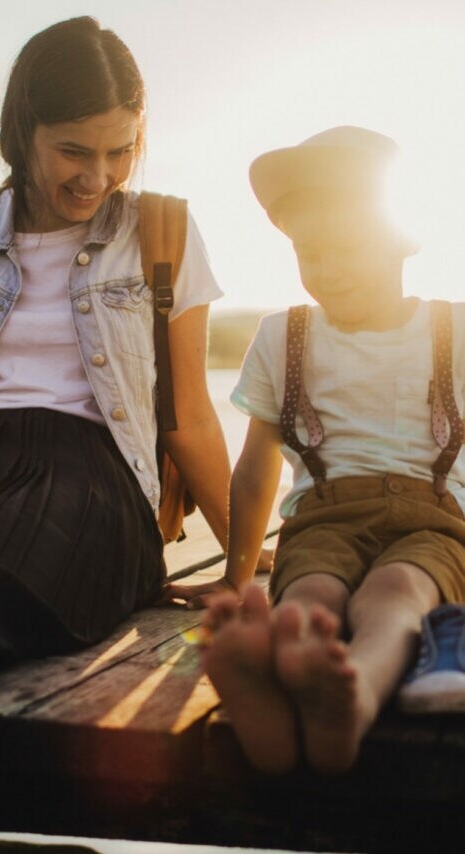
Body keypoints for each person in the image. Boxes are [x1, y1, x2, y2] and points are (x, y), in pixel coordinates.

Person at [0, 16, 233, 720]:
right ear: (21, 131)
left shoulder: (163, 232)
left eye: (122, 150)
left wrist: (246, 559)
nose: (99, 177)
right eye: (73, 151)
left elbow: (192, 414)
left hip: (88, 480)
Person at [199, 126, 465, 775]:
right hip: (321, 515)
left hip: (433, 525)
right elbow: (257, 469)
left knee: (397, 593)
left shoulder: (453, 329)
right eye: (310, 253)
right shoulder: (281, 336)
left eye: (349, 249)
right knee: (309, 600)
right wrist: (237, 576)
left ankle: (353, 698)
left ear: (399, 239)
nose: (329, 270)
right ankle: (278, 684)